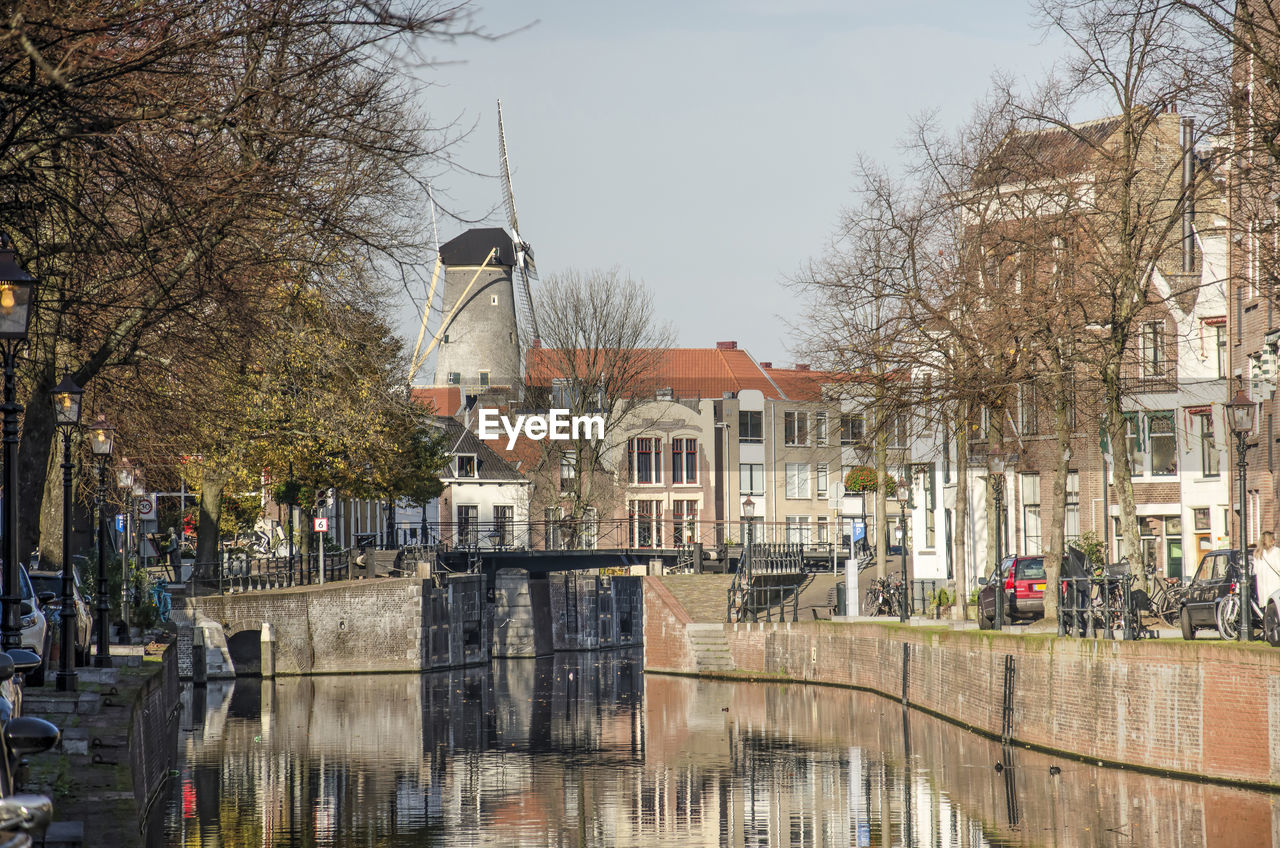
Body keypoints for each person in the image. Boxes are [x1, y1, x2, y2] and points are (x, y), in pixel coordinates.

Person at [1254, 531, 1280, 616]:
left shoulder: (1258, 554)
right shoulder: (1276, 552)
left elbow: (1255, 570)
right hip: (1275, 587)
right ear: (1271, 540)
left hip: (1263, 589)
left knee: (1267, 611)